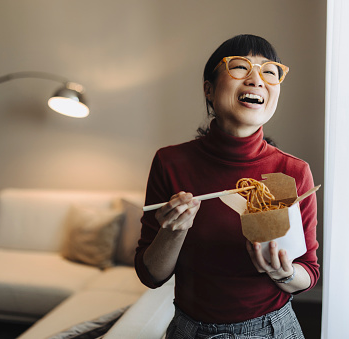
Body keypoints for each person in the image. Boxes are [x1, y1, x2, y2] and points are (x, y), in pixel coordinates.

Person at [135, 34, 319, 339]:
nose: (256, 80)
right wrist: (173, 231)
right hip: (188, 330)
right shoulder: (171, 163)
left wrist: (283, 273)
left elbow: (309, 273)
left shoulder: (291, 172)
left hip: (272, 329)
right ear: (209, 89)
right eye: (239, 68)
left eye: (269, 72)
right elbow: (151, 275)